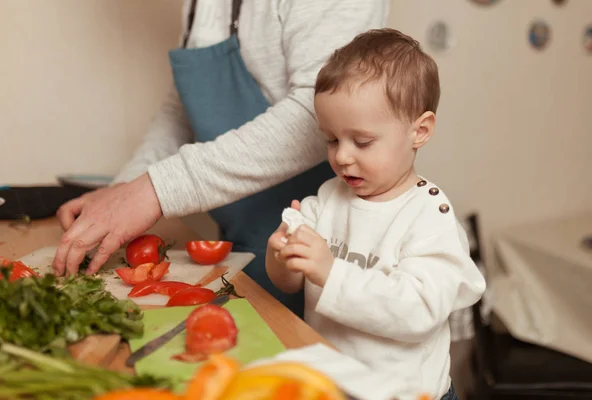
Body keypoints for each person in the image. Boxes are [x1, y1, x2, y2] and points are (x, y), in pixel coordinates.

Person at [52, 0, 389, 317]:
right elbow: (182, 110)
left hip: (312, 243)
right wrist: (128, 186)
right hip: (237, 236)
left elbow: (314, 117)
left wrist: (153, 191)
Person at [265, 29, 486, 400]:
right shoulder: (329, 197)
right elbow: (290, 283)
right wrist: (283, 260)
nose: (342, 156)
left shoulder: (430, 216)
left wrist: (331, 272)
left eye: (362, 141)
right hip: (331, 385)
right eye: (332, 139)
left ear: (420, 131)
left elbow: (417, 312)